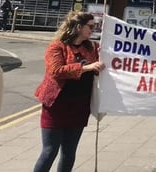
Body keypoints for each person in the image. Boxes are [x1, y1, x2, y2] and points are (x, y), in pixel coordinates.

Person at [33, 11, 105, 172]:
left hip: (79, 106)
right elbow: (56, 70)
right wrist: (86, 67)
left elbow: (109, 60)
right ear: (79, 27)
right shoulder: (57, 46)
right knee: (49, 151)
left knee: (69, 152)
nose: (93, 30)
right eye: (91, 26)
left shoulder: (93, 47)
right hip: (56, 106)